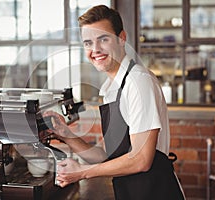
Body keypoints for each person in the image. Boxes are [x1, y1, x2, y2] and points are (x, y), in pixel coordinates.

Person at [43, 5, 185, 200]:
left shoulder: (138, 82)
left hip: (155, 192)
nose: (95, 50)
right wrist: (66, 134)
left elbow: (141, 160)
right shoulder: (112, 87)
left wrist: (83, 172)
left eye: (103, 39)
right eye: (88, 43)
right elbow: (110, 158)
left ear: (122, 38)